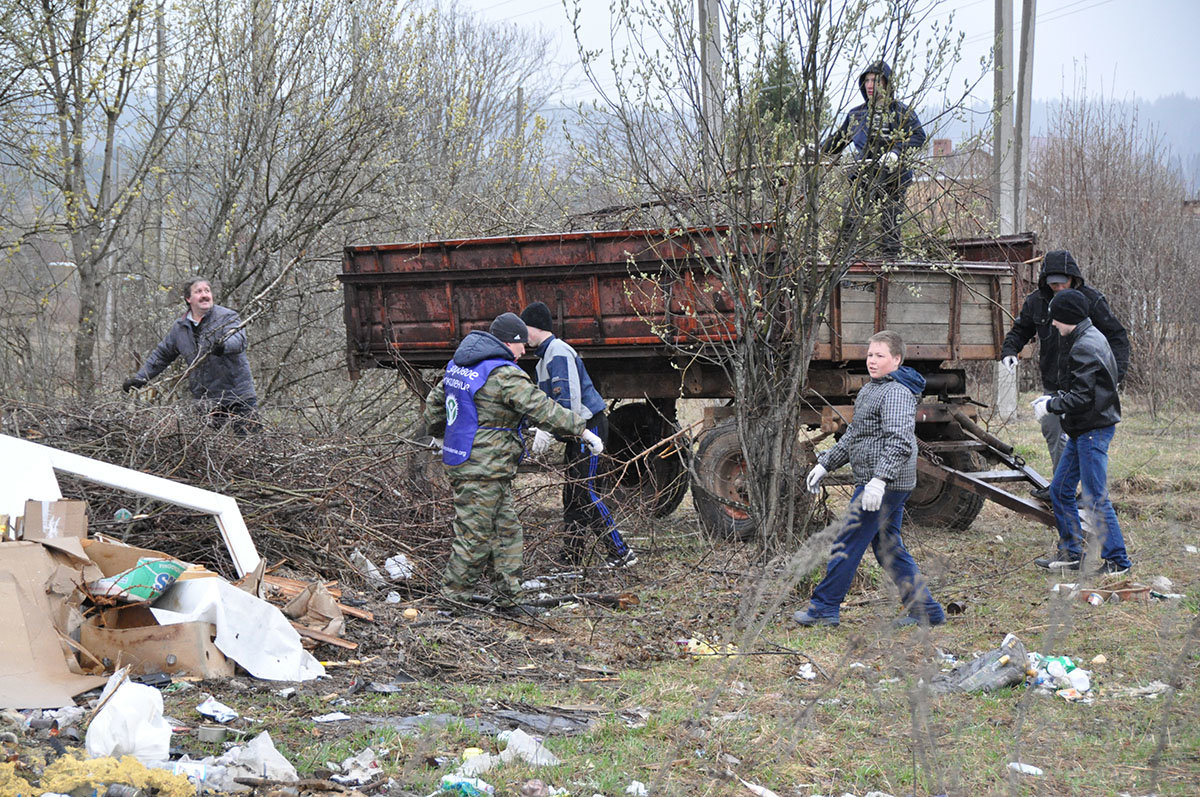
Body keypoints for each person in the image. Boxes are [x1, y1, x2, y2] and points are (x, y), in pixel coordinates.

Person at [424, 312, 604, 616]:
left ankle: (509, 599)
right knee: (475, 535)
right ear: (511, 342)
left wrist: (440, 433)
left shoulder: (459, 366)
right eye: (521, 345)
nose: (524, 351)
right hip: (482, 469)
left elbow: (434, 404)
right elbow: (540, 406)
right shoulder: (504, 373)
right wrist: (581, 429)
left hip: (476, 464)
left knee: (507, 532)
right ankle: (452, 602)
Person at [794, 330, 945, 628]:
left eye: (880, 356)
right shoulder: (871, 389)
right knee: (888, 547)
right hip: (882, 482)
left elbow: (901, 441)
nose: (872, 361)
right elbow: (854, 436)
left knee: (847, 541)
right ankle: (926, 611)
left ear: (897, 360)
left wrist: (879, 481)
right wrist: (826, 464)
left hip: (884, 485)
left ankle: (824, 608)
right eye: (870, 355)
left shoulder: (897, 393)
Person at [1000, 250, 1129, 500]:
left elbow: (1117, 337)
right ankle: (1062, 487)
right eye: (1052, 283)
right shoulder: (1037, 301)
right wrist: (1009, 350)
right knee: (1052, 428)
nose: (1057, 287)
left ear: (1073, 279)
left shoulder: (1092, 300)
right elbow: (1021, 328)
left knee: (1084, 437)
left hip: (1087, 383)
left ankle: (1090, 495)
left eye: (1062, 282)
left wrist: (1115, 374)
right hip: (1054, 381)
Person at [520, 301, 637, 568]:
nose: (522, 336)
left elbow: (568, 402)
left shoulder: (558, 352)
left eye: (524, 328)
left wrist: (548, 429)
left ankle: (621, 551)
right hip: (574, 432)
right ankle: (570, 559)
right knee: (572, 495)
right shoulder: (544, 358)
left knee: (586, 492)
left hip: (586, 428)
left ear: (535, 327)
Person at [1031, 290, 1132, 575]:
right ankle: (1072, 553)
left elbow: (1083, 397)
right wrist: (1056, 398)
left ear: (1069, 319)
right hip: (1084, 428)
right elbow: (1085, 388)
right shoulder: (1089, 338)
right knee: (1060, 490)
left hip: (1092, 430)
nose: (1053, 324)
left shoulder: (1084, 346)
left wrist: (1051, 404)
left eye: (1056, 319)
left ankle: (1118, 561)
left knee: (1095, 498)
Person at [122, 277, 259, 433]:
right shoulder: (180, 328)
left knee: (251, 444)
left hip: (239, 395)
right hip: (207, 400)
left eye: (207, 291)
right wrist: (141, 378)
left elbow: (239, 340)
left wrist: (223, 346)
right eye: (198, 291)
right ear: (188, 299)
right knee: (213, 451)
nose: (205, 295)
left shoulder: (227, 317)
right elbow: (161, 355)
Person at [821, 60, 927, 259]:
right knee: (851, 221)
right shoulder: (858, 114)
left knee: (890, 225)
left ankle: (890, 269)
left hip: (893, 177)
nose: (871, 85)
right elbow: (839, 140)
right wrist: (818, 150)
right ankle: (845, 268)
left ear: (887, 83)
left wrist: (896, 152)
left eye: (876, 80)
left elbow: (918, 136)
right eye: (867, 80)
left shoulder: (902, 112)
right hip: (864, 174)